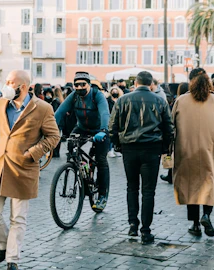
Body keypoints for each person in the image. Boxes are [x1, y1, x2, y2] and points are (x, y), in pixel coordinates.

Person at [0, 70, 60, 270]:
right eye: (6, 81)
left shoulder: (43, 108)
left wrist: (33, 152)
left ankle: (13, 259)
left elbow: (54, 137)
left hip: (23, 169)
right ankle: (3, 246)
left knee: (18, 217)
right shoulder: (2, 103)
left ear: (23, 87)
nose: (6, 85)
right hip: (0, 165)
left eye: (11, 82)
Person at [109, 71, 173, 244]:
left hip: (129, 148)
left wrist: (117, 144)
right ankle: (146, 230)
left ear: (135, 83)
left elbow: (112, 126)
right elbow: (169, 127)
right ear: (151, 84)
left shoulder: (123, 100)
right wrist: (166, 148)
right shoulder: (160, 100)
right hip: (152, 149)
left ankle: (132, 224)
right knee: (148, 191)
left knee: (132, 187)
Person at [172, 68, 214, 237]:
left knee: (190, 185)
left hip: (187, 150)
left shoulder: (181, 100)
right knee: (211, 182)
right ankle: (206, 215)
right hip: (212, 149)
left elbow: (172, 124)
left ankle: (195, 224)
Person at [55, 71, 111, 211]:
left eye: (83, 84)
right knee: (71, 145)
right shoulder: (73, 97)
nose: (79, 87)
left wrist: (103, 130)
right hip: (81, 128)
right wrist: (52, 130)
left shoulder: (97, 96)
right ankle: (79, 167)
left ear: (89, 84)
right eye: (76, 85)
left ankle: (102, 195)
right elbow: (59, 113)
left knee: (101, 159)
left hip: (99, 130)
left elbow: (105, 113)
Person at [160, 82, 189, 184]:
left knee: (175, 155)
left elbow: (171, 119)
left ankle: (171, 175)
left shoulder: (178, 101)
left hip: (179, 133)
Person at [107, 86, 123, 158]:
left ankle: (116, 150)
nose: (114, 92)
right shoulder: (108, 100)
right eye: (113, 91)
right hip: (110, 118)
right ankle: (110, 150)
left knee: (117, 135)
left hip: (119, 119)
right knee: (111, 134)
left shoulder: (120, 100)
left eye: (116, 91)